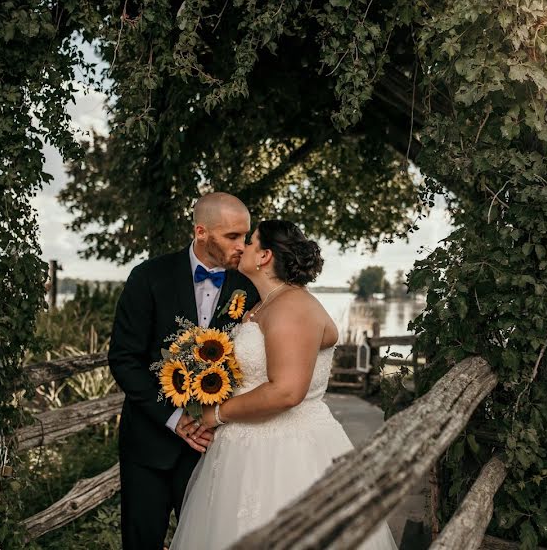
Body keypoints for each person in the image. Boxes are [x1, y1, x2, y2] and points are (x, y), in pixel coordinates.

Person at [170, 219, 397, 550]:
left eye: (249, 243)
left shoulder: (292, 306)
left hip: (286, 453)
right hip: (242, 448)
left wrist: (215, 414)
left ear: (263, 256)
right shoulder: (264, 305)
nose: (241, 247)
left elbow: (287, 391)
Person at [108, 192, 260, 550]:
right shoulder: (148, 277)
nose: (242, 245)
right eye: (232, 236)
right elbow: (124, 359)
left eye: (246, 236)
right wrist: (176, 419)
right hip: (149, 444)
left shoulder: (249, 287)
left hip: (216, 447)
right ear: (201, 232)